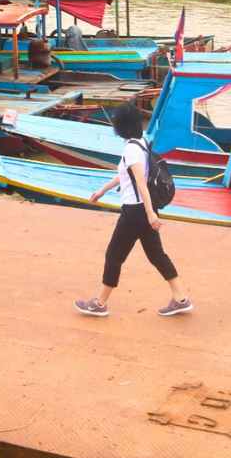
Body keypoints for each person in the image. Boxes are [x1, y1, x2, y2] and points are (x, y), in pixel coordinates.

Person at [75, 102, 192, 317]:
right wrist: (103, 190)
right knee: (156, 255)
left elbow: (140, 183)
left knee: (114, 255)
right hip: (142, 210)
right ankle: (181, 297)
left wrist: (150, 214)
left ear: (121, 126)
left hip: (135, 212)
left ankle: (100, 303)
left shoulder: (130, 149)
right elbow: (126, 175)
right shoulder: (140, 143)